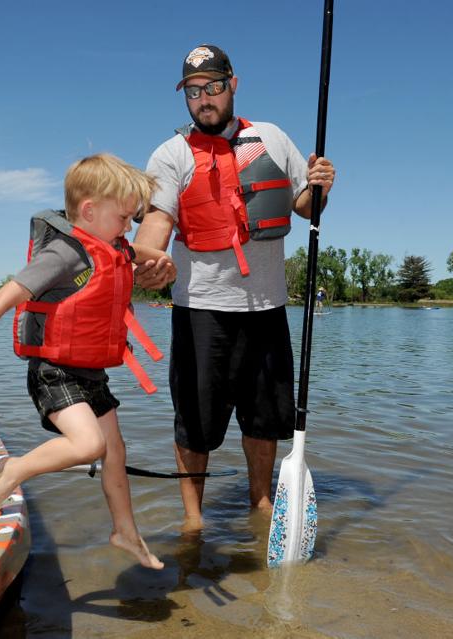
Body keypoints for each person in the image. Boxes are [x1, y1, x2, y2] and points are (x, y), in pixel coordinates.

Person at [0, 153, 172, 569]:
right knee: (88, 444)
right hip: (54, 372)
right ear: (89, 211)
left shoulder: (115, 245)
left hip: (91, 372)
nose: (128, 227)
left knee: (115, 452)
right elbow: (4, 298)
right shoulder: (64, 254)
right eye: (124, 218)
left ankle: (126, 533)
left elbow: (142, 252)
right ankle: (14, 469)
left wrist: (161, 260)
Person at [133, 44, 336, 531]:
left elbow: (306, 206)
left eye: (214, 87)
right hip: (201, 307)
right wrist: (149, 263)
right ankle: (192, 519)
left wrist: (321, 183)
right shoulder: (171, 154)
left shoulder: (269, 137)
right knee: (196, 421)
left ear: (233, 85)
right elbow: (156, 225)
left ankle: (261, 503)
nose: (205, 99)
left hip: (267, 307)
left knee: (265, 418)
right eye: (194, 91)